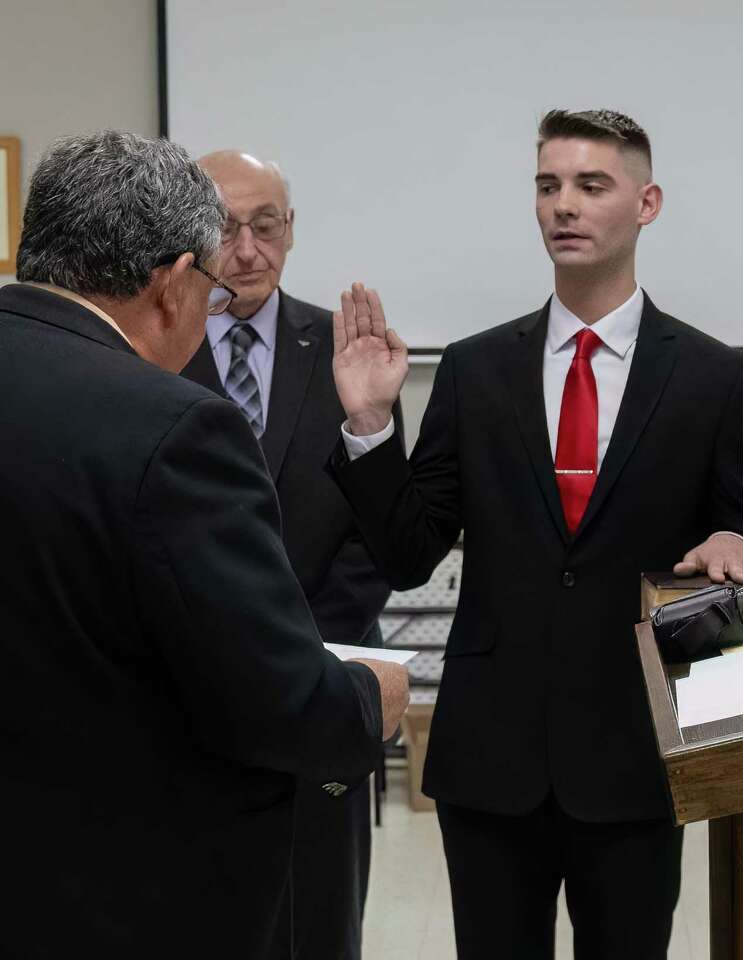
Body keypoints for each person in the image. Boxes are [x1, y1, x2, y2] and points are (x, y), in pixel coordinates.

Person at [328, 109, 743, 959]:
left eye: (590, 186)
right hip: (490, 758)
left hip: (635, 754)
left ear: (647, 203)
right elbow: (406, 552)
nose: (562, 207)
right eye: (547, 186)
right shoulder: (476, 368)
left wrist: (735, 548)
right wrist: (369, 425)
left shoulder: (716, 378)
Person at [0, 131, 409, 958]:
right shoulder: (169, 423)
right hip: (134, 874)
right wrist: (370, 700)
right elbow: (279, 703)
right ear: (174, 284)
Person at [181, 150, 397, 960]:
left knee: (320, 921)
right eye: (224, 229)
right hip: (188, 690)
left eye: (265, 226)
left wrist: (294, 650)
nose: (246, 251)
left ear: (291, 230)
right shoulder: (149, 346)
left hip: (321, 675)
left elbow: (378, 534)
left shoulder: (346, 349)